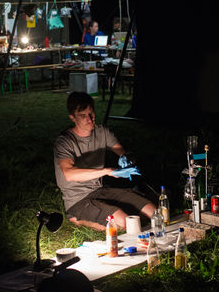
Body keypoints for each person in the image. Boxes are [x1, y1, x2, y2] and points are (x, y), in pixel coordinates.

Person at [54, 92, 155, 231]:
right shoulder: (65, 141)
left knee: (154, 213)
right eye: (83, 116)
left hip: (100, 190)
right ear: (72, 117)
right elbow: (69, 174)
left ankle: (117, 214)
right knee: (126, 223)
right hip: (77, 199)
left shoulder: (102, 132)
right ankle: (78, 220)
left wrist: (127, 158)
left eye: (91, 113)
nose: (89, 119)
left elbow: (123, 152)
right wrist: (107, 171)